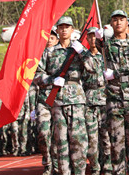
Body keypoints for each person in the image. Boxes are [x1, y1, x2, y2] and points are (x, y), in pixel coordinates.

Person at [35, 16, 92, 175]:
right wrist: (51, 79)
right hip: (58, 102)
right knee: (61, 143)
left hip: (77, 102)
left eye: (67, 27)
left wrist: (82, 52)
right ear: (57, 31)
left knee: (79, 141)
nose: (64, 30)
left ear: (72, 30)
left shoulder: (79, 50)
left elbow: (94, 68)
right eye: (61, 27)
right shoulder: (49, 52)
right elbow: (36, 75)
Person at [100, 10, 129, 175]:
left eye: (121, 20)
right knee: (116, 142)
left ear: (127, 23)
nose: (118, 22)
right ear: (111, 24)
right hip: (114, 97)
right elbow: (93, 47)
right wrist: (99, 37)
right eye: (115, 20)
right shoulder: (106, 45)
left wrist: (116, 74)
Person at [82, 27, 111, 175]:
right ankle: (94, 167)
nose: (93, 39)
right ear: (86, 39)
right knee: (91, 139)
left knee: (106, 137)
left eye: (95, 37)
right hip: (89, 101)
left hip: (105, 100)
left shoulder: (106, 56)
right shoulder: (82, 58)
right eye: (90, 37)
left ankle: (107, 166)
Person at [34, 28, 60, 175]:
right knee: (44, 133)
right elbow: (36, 76)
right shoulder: (40, 56)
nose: (49, 40)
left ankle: (58, 165)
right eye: (47, 38)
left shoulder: (64, 54)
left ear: (57, 40)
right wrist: (51, 79)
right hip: (44, 100)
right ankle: (48, 162)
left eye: (52, 38)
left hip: (60, 100)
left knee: (59, 135)